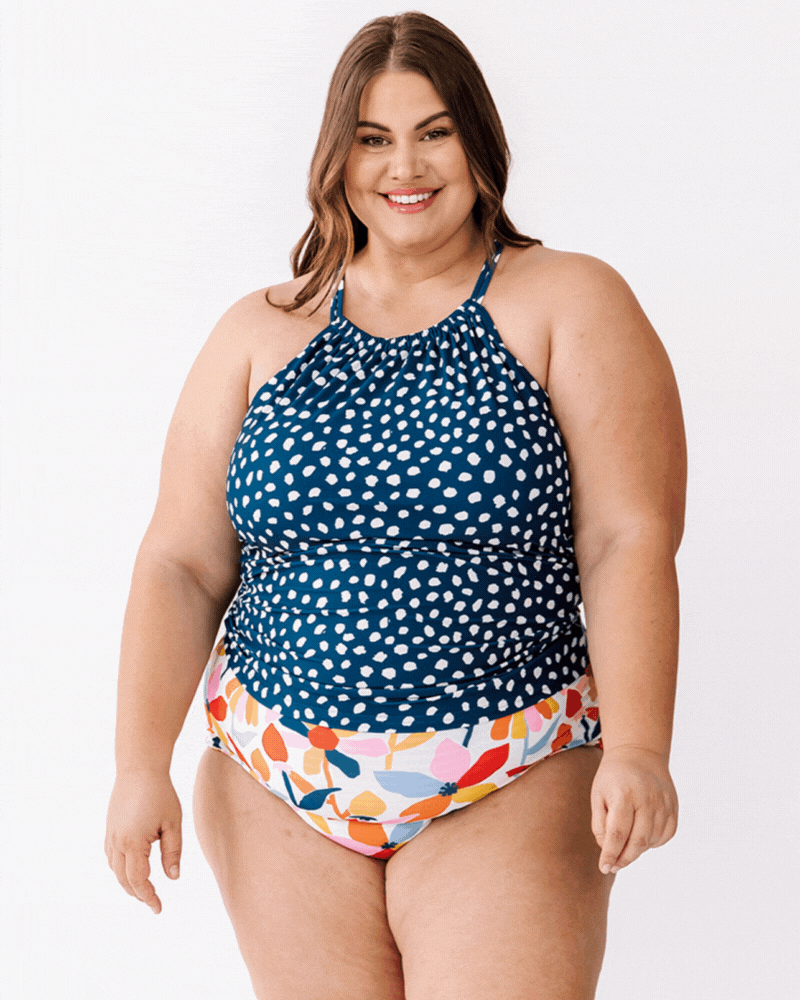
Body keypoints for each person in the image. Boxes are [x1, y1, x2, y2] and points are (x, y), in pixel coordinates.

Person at [105, 11, 685, 999]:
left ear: (478, 141)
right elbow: (181, 562)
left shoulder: (567, 301)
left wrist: (638, 748)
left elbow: (626, 538)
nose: (404, 165)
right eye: (373, 137)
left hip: (510, 762)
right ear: (336, 156)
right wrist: (136, 765)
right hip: (276, 773)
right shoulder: (259, 329)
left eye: (433, 132)